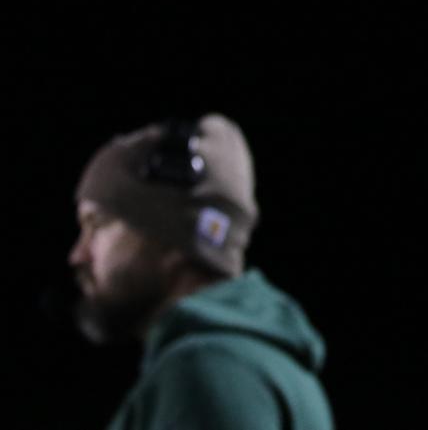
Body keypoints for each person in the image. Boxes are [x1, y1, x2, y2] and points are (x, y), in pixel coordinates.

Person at [70, 114, 334, 430]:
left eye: (98, 224)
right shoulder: (263, 362)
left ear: (169, 239)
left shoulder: (209, 370)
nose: (78, 255)